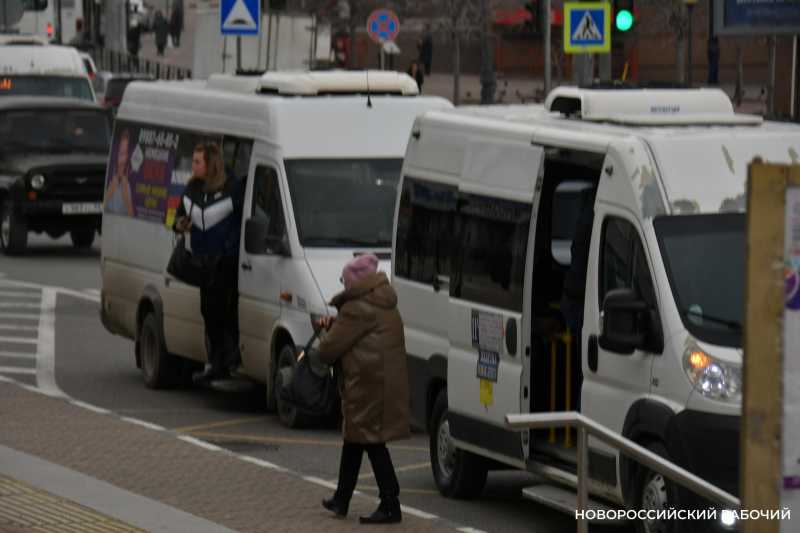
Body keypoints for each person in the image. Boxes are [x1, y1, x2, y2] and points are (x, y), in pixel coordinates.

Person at [316, 254, 410, 524]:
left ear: (356, 282)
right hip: (380, 381)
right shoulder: (382, 300)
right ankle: (341, 499)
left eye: (345, 281)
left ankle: (390, 504)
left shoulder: (357, 307)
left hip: (368, 384)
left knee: (371, 441)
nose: (343, 286)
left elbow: (327, 350)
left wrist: (325, 330)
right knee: (355, 439)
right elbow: (360, 335)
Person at [173, 142, 245, 384]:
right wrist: (179, 225)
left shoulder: (233, 188)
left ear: (211, 163)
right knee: (208, 312)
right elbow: (176, 218)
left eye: (197, 162)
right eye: (193, 161)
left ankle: (231, 361)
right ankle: (216, 363)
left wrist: (228, 249)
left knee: (227, 313)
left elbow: (244, 223)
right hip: (202, 266)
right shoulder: (191, 189)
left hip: (227, 265)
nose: (193, 166)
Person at [104, 129, 135, 217]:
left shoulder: (131, 180)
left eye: (125, 153)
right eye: (120, 153)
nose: (122, 159)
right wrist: (110, 192)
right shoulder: (108, 174)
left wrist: (127, 198)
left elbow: (133, 216)